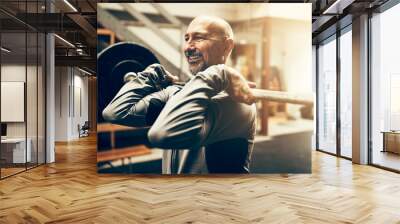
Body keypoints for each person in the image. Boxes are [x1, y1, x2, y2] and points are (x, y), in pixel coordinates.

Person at [102, 16, 257, 174]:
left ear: (226, 46)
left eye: (199, 37)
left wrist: (221, 72)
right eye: (187, 38)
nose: (188, 47)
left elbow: (161, 134)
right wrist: (149, 76)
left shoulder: (236, 104)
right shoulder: (177, 92)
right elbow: (115, 112)